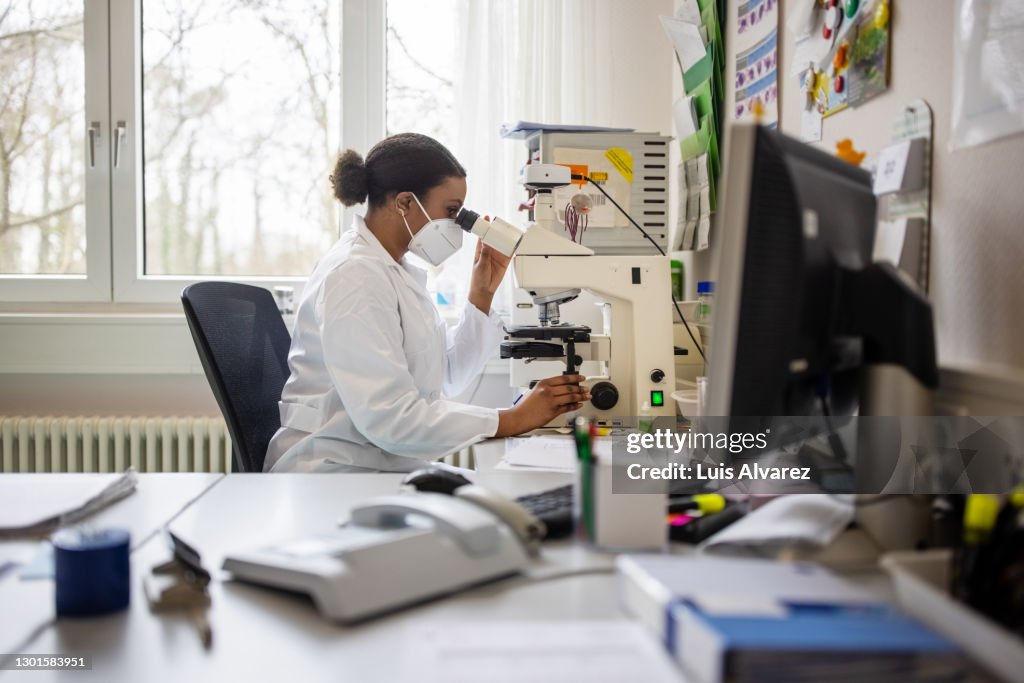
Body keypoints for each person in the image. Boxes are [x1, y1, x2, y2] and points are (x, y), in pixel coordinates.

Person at [264, 133, 590, 472]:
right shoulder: (354, 276)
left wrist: (481, 295)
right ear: (404, 202)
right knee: (501, 504)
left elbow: (443, 377)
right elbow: (391, 419)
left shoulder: (393, 271)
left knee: (503, 497)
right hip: (333, 470)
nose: (457, 225)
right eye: (451, 211)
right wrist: (511, 420)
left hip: (377, 460)